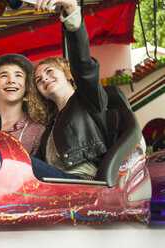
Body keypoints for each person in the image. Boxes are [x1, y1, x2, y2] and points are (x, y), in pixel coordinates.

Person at [28, 0, 110, 180]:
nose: (45, 78)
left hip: (84, 182)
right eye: (39, 80)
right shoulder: (49, 130)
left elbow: (83, 64)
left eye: (49, 71)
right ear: (40, 92)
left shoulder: (87, 100)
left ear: (68, 74)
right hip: (55, 185)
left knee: (13, 162)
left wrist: (72, 12)